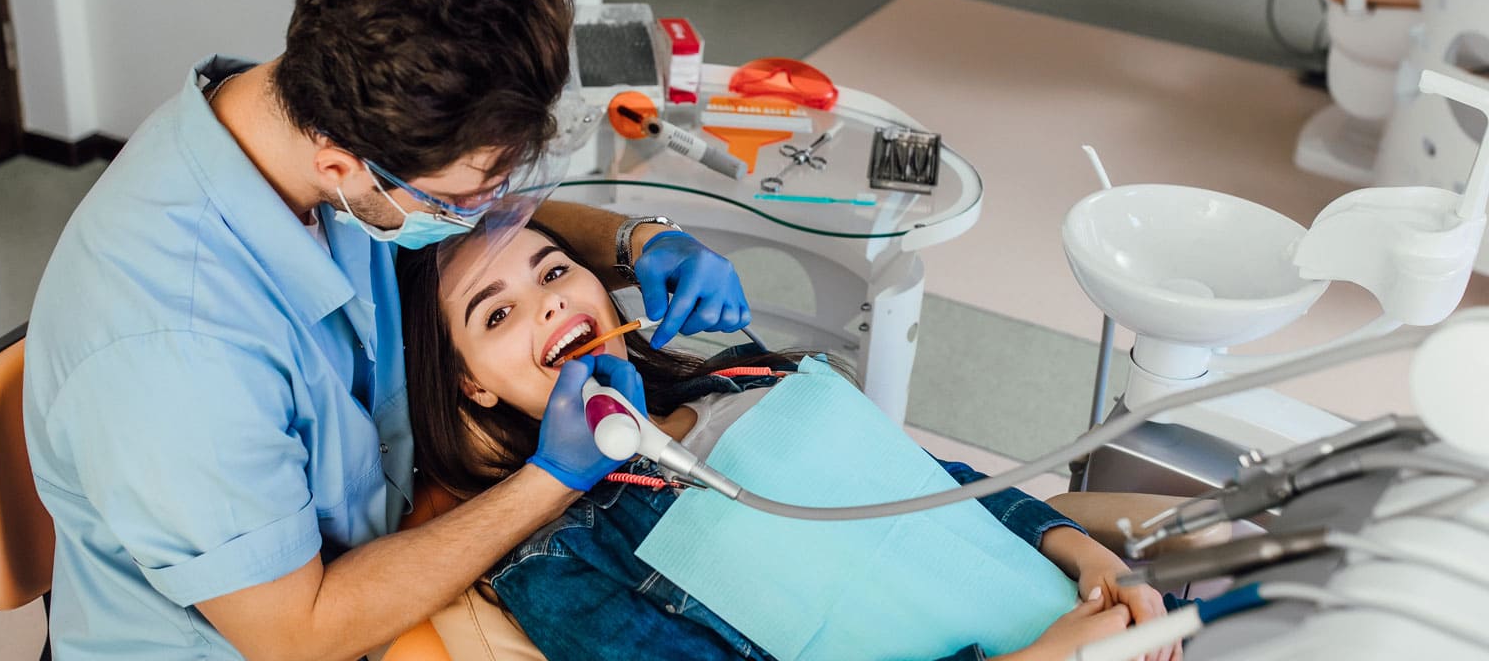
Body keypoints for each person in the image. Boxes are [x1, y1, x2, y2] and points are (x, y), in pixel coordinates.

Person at [22, 0, 750, 659]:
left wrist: (636, 241)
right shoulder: (178, 350)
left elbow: (486, 224)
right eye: (467, 199)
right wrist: (555, 477)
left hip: (397, 540)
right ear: (341, 168)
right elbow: (298, 634)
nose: (492, 214)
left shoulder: (308, 112)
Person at [397, 225, 1186, 661]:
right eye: (495, 314)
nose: (546, 304)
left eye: (553, 271)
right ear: (472, 386)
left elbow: (940, 486)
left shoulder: (750, 375)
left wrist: (1093, 559)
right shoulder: (559, 564)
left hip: (1123, 620)